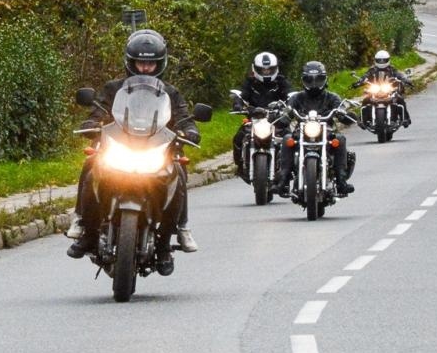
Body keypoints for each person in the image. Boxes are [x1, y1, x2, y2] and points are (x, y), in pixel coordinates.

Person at [67, 29, 200, 269]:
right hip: (120, 147)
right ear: (130, 61)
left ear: (160, 63)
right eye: (141, 62)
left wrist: (188, 131)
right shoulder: (113, 88)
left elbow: (183, 118)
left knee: (178, 172)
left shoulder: (170, 92)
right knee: (91, 164)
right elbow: (98, 111)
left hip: (156, 151)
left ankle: (174, 235)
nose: (145, 68)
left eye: (151, 64)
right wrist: (91, 125)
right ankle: (84, 228)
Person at [280, 61, 355, 197]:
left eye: (318, 80)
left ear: (324, 79)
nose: (314, 84)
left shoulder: (332, 97)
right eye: (309, 80)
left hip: (327, 131)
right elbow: (287, 110)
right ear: (304, 80)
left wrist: (343, 114)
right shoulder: (297, 97)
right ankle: (282, 180)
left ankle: (341, 181)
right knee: (287, 140)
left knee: (339, 140)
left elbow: (341, 109)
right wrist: (284, 116)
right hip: (301, 131)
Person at [232, 51, 291, 179]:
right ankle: (240, 166)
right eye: (263, 70)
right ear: (256, 69)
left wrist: (290, 105)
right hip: (254, 118)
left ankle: (289, 168)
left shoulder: (281, 81)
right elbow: (241, 95)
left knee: (290, 138)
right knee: (238, 137)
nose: (266, 72)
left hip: (276, 118)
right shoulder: (250, 82)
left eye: (269, 69)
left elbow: (290, 95)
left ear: (275, 68)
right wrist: (238, 104)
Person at [351, 49, 411, 127]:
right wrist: (359, 82)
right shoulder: (372, 69)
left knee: (400, 99)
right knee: (365, 100)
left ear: (388, 60)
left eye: (384, 60)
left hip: (389, 90)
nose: (382, 62)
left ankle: (406, 118)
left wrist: (405, 80)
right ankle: (362, 119)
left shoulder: (392, 69)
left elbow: (399, 75)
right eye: (379, 60)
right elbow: (365, 76)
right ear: (376, 60)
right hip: (375, 90)